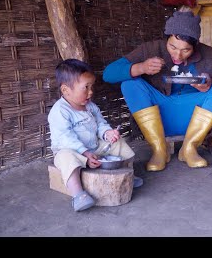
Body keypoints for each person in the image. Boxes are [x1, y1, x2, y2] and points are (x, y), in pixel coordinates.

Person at [103, 6, 212, 172]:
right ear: (166, 38)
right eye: (173, 47)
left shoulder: (211, 55)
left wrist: (209, 83)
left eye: (185, 50)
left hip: (194, 118)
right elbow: (108, 74)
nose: (178, 55)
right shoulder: (150, 49)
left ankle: (189, 148)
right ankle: (159, 150)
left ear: (196, 45)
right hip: (158, 118)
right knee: (129, 83)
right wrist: (141, 67)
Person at [48, 59, 143, 212]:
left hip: (95, 147)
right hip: (72, 151)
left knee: (118, 143)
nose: (91, 92)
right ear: (66, 90)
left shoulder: (91, 107)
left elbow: (100, 124)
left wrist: (107, 133)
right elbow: (66, 138)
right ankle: (78, 195)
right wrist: (85, 153)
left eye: (91, 87)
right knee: (66, 158)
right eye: (86, 87)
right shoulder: (60, 112)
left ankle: (128, 173)